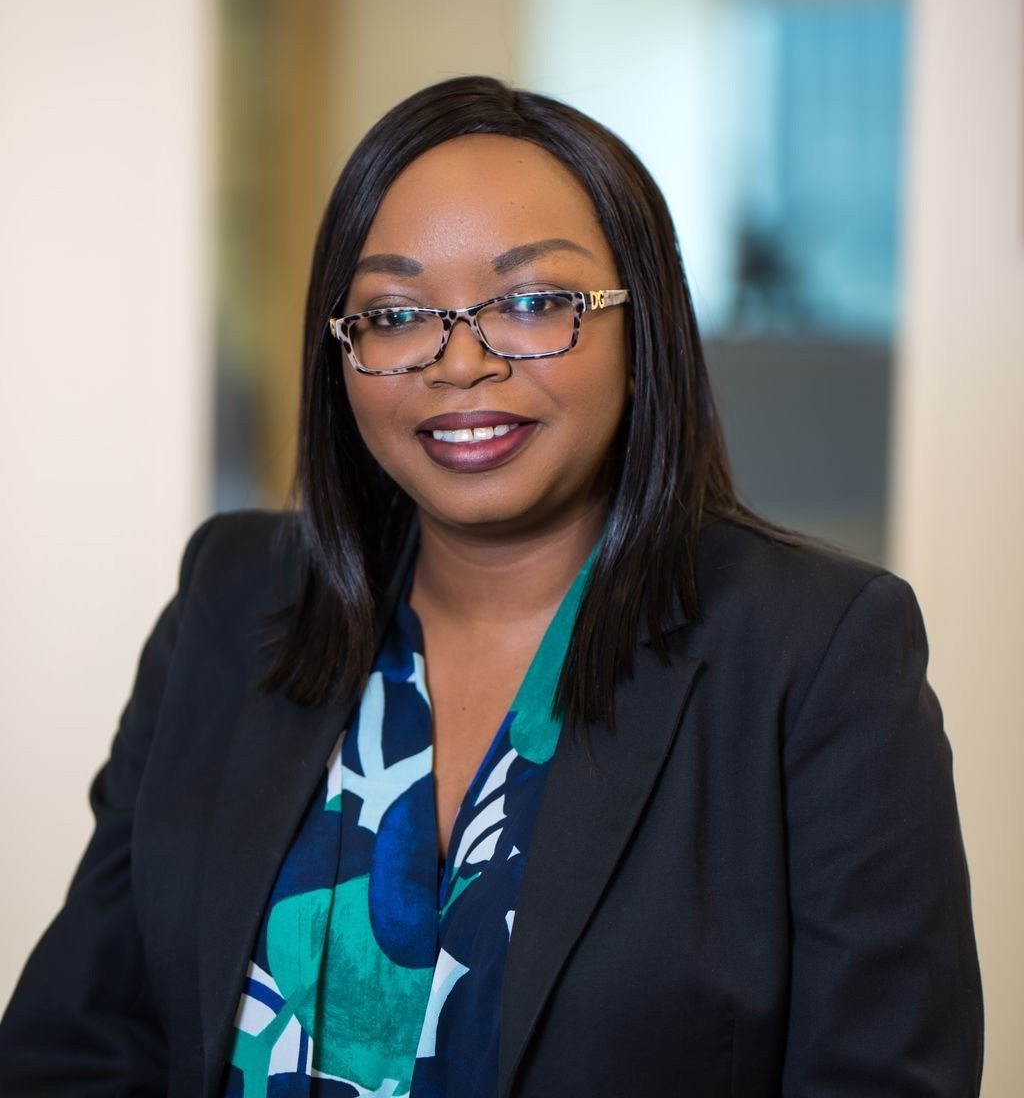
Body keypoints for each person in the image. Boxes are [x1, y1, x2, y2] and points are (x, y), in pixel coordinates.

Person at [0, 76, 983, 1096]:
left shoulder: (815, 654)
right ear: (341, 353)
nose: (459, 363)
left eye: (531, 302)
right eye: (394, 313)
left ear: (643, 334)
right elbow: (78, 1045)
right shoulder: (233, 598)